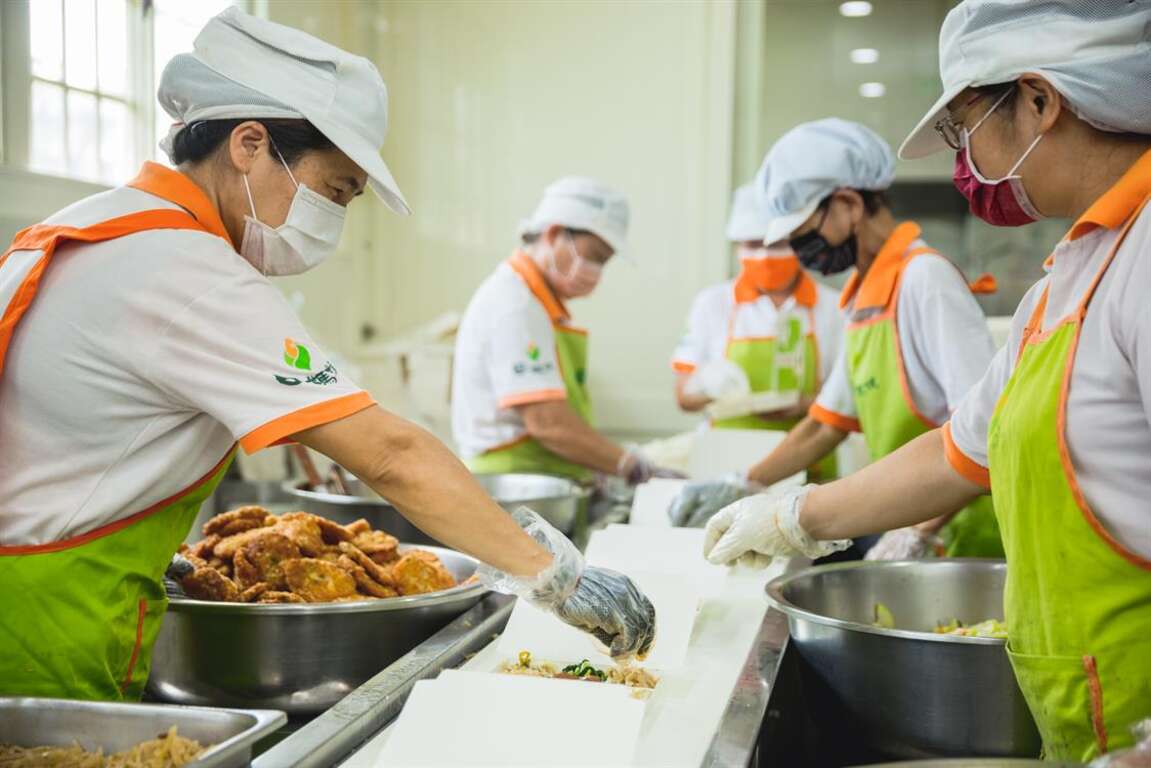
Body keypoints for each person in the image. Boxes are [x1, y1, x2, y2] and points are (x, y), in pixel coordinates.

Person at [0, 8, 654, 702]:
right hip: (45, 626)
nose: (333, 219)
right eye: (334, 190)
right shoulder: (183, 266)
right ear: (249, 144)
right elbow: (390, 455)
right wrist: (555, 578)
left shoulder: (89, 226)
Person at [700, 1, 1151, 760]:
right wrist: (795, 516)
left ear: (1039, 100)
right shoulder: (1066, 278)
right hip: (1078, 704)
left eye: (964, 125)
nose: (963, 159)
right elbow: (960, 448)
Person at [670, 119, 1002, 558]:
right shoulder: (864, 298)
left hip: (958, 535)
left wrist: (917, 532)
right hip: (908, 520)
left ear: (848, 203)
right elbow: (824, 426)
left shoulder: (925, 279)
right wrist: (745, 483)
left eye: (803, 232)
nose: (799, 249)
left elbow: (988, 433)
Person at [452, 178, 681, 484]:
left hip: (538, 477)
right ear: (555, 233)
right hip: (514, 483)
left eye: (605, 262)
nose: (597, 272)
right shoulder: (515, 305)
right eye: (594, 256)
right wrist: (628, 464)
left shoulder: (536, 304)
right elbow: (547, 423)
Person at [670, 183, 844, 487]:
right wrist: (709, 384)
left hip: (808, 472)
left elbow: (850, 401)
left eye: (776, 244)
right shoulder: (712, 304)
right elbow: (683, 398)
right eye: (751, 245)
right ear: (736, 247)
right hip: (724, 466)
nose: (764, 255)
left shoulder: (834, 307)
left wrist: (805, 404)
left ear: (799, 243)